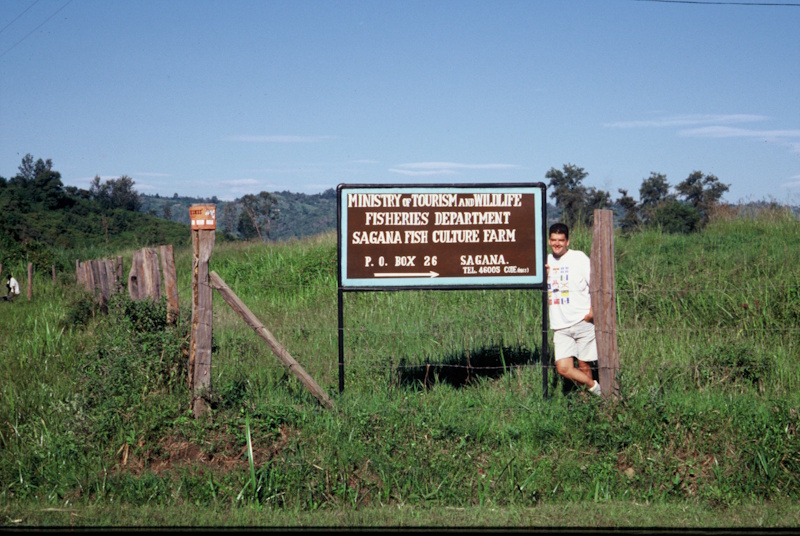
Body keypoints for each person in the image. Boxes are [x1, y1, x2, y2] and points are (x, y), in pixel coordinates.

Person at [545, 222, 601, 396]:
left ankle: (587, 403)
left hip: (581, 320)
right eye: (554, 240)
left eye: (561, 240)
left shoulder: (579, 258)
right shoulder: (546, 261)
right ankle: (595, 387)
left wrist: (592, 312)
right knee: (563, 368)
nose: (557, 244)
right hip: (560, 324)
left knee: (584, 365)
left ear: (567, 241)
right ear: (549, 241)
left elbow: (595, 284)